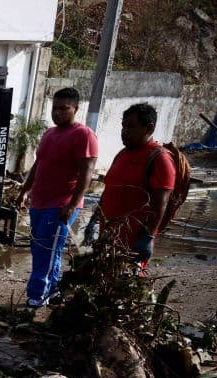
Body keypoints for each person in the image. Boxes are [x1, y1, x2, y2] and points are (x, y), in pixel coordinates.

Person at [16, 87, 98, 308]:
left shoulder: (83, 135)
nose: (58, 113)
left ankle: (37, 296)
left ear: (76, 109)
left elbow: (87, 173)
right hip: (39, 202)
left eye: (64, 109)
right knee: (43, 248)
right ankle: (53, 290)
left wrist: (72, 204)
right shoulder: (49, 134)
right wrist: (25, 191)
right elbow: (38, 165)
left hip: (61, 204)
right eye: (55, 108)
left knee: (46, 249)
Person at [97, 103, 175, 273]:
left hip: (133, 243)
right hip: (109, 238)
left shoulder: (159, 159)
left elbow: (161, 203)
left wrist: (148, 237)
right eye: (123, 126)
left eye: (131, 127)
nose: (124, 131)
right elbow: (109, 189)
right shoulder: (121, 155)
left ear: (149, 128)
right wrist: (94, 221)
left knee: (124, 287)